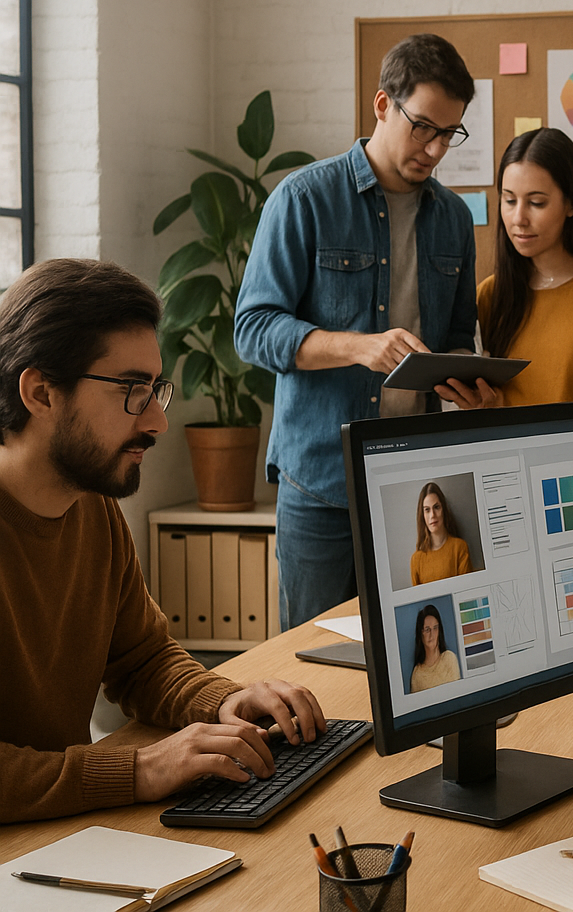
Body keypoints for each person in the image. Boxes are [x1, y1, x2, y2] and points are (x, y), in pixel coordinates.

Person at [0, 259, 327, 824]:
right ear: (40, 392)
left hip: (56, 830)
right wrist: (142, 769)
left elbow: (141, 659)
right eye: (131, 390)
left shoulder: (91, 506)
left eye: (156, 390)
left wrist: (224, 700)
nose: (157, 421)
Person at [236, 34, 486, 630]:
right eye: (422, 126)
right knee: (317, 670)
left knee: (413, 657)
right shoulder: (303, 198)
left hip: (411, 483)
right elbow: (252, 329)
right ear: (382, 104)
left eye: (449, 134)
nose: (434, 148)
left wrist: (466, 381)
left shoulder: (453, 218)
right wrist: (360, 347)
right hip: (322, 483)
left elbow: (455, 335)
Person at [456, 127, 573, 408]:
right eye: (509, 200)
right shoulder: (490, 294)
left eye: (536, 202)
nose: (518, 218)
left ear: (571, 203)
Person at [410, 481, 471, 586]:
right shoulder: (416, 560)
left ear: (444, 510)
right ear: (422, 515)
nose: (432, 515)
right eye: (427, 510)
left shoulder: (460, 548)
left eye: (436, 507)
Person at [410, 604, 460, 692]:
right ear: (420, 634)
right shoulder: (417, 674)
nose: (432, 634)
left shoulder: (449, 659)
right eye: (427, 629)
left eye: (435, 628)